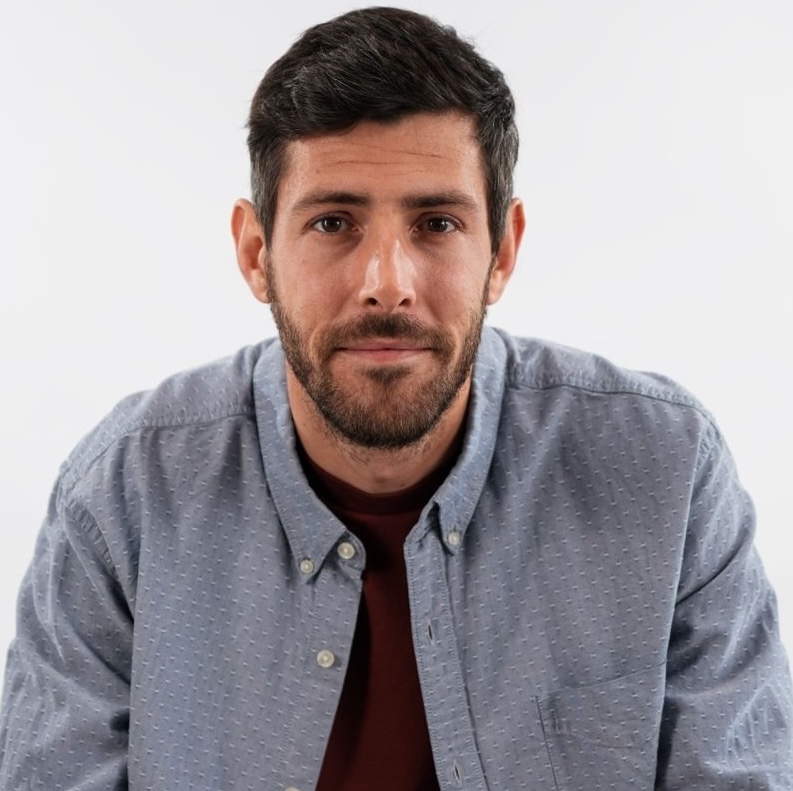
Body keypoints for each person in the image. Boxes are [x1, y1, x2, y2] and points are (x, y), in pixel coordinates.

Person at [1, 5, 791, 789]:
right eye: (334, 222)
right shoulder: (122, 497)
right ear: (255, 253)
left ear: (502, 251)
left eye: (437, 223)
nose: (386, 284)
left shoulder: (665, 473)